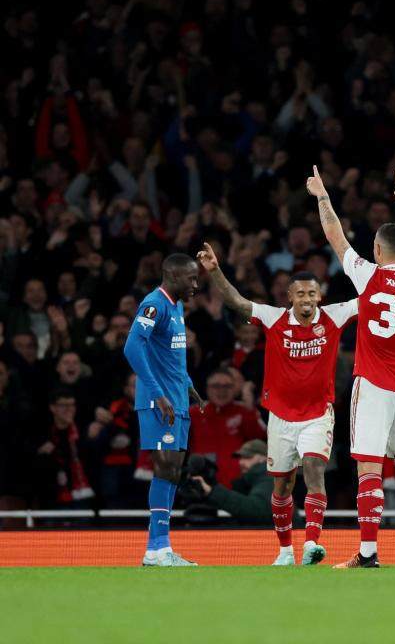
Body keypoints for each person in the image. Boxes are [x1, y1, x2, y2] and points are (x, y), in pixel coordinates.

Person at [198, 242, 358, 566]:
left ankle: (312, 542)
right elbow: (236, 301)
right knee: (283, 485)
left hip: (317, 414)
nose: (307, 300)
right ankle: (285, 550)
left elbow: (369, 300)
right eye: (300, 294)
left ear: (319, 295)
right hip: (281, 417)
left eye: (312, 294)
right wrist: (215, 271)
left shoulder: (334, 316)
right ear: (290, 297)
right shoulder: (274, 319)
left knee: (314, 469)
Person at [309, 166, 395, 569]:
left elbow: (335, 235)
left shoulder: (368, 276)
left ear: (378, 251)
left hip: (375, 385)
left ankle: (367, 554)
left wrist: (322, 196)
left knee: (369, 467)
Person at [121, 253, 206, 567]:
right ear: (173, 276)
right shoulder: (154, 303)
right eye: (191, 278)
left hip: (176, 400)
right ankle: (156, 549)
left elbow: (171, 355)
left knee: (173, 472)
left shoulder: (177, 306)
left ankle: (161, 549)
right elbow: (131, 346)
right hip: (160, 402)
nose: (196, 284)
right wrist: (158, 394)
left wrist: (188, 384)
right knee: (165, 468)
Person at [189, 439, 277, 526]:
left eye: (247, 457)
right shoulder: (248, 481)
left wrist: (213, 492)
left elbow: (257, 511)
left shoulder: (269, 479)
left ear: (263, 458)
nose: (241, 462)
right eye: (241, 458)